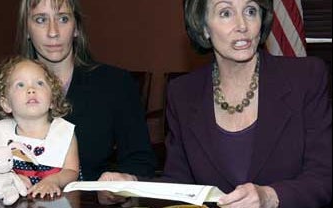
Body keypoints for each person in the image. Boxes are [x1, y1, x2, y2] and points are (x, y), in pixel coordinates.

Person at [97, 0, 332, 207]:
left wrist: (270, 197)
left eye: (250, 10)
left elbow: (324, 177)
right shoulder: (183, 93)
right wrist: (132, 188)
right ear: (203, 27)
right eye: (225, 13)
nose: (242, 25)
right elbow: (180, 185)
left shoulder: (306, 78)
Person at [0, 0, 156, 182]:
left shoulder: (115, 83)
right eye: (40, 20)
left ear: (76, 28)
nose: (53, 32)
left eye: (63, 19)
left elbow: (140, 160)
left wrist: (122, 182)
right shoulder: (4, 87)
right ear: (27, 31)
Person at [0, 56, 79, 198]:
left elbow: (71, 171)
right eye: (20, 85)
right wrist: (8, 178)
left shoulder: (64, 132)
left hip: (53, 201)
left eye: (39, 83)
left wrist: (53, 180)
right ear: (6, 104)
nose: (31, 89)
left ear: (52, 100)